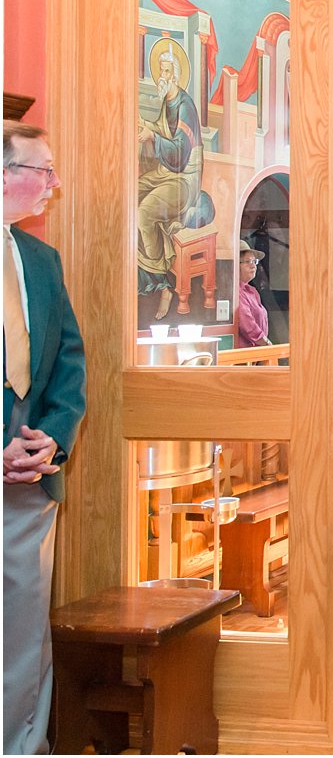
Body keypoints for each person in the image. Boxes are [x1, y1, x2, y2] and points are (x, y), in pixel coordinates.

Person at [3, 121, 87, 755]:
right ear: (6, 176)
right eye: (43, 169)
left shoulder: (39, 259)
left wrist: (51, 440)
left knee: (23, 639)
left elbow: (67, 362)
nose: (54, 183)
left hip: (27, 483)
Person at [136, 43, 213, 320]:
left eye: (167, 71)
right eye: (160, 70)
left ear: (177, 76)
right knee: (130, 193)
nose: (162, 76)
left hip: (184, 178)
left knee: (143, 212)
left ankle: (163, 280)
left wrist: (153, 138)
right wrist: (147, 128)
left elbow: (180, 152)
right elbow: (162, 130)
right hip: (168, 172)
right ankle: (151, 271)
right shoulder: (166, 102)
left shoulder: (185, 106)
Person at [234, 239, 272, 348]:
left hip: (256, 354)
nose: (253, 266)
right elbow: (248, 326)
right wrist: (267, 344)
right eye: (248, 262)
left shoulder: (252, 291)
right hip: (243, 358)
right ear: (236, 264)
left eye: (254, 262)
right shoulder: (236, 292)